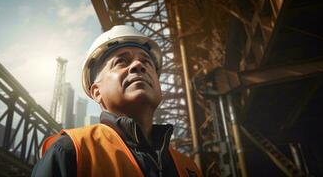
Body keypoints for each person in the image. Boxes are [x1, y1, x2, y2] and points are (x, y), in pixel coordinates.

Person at [31, 25, 202, 177]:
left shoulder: (188, 168)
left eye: (146, 61)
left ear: (159, 87)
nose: (138, 65)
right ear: (97, 92)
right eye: (121, 61)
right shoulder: (72, 151)